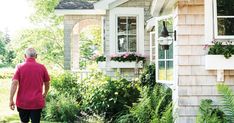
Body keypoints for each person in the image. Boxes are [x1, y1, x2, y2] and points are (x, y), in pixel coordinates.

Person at [9, 48, 50, 123]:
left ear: (25, 56)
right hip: (36, 102)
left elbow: (14, 83)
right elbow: (47, 83)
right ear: (36, 56)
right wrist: (45, 93)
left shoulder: (19, 67)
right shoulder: (42, 67)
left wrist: (11, 99)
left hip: (22, 102)